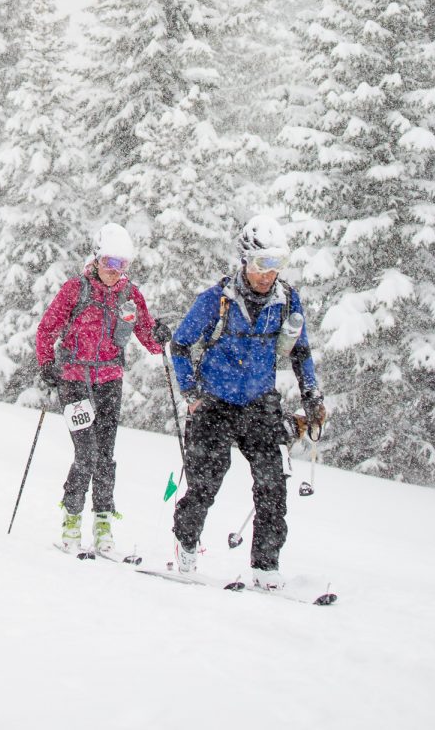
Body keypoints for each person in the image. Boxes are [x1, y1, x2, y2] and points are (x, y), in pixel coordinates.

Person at [170, 214, 327, 591]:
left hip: (259, 404)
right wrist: (191, 394)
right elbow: (180, 345)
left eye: (276, 264)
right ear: (245, 260)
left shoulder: (287, 300)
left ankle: (266, 565)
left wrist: (312, 395)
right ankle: (186, 541)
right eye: (261, 264)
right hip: (215, 403)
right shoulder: (217, 300)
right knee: (206, 480)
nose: (267, 274)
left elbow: (300, 351)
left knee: (272, 485)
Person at [35, 222, 170, 555]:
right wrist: (46, 364)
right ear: (96, 259)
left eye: (121, 264)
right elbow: (47, 329)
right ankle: (71, 519)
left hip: (110, 381)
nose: (114, 271)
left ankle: (103, 522)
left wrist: (162, 336)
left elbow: (150, 340)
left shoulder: (129, 296)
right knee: (85, 454)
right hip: (74, 380)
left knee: (105, 456)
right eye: (109, 262)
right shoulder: (75, 290)